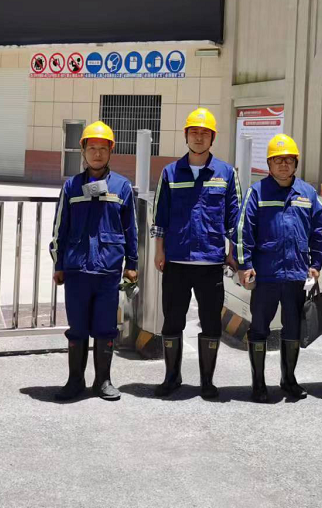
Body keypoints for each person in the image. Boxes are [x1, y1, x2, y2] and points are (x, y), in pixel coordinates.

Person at [151, 107, 241, 399]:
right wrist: (159, 250)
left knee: (211, 321)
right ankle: (171, 377)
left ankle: (207, 380)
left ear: (212, 138)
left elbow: (235, 218)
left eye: (204, 133)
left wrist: (233, 252)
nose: (199, 137)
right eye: (194, 132)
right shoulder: (170, 172)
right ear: (186, 136)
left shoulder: (226, 174)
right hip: (176, 260)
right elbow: (160, 215)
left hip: (210, 261)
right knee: (172, 320)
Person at [50, 121, 138, 401]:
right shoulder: (71, 186)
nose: (97, 154)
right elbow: (60, 228)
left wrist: (132, 264)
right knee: (77, 329)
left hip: (108, 270)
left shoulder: (122, 187)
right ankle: (75, 380)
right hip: (76, 269)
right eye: (92, 148)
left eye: (103, 148)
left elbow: (131, 229)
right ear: (83, 151)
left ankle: (103, 381)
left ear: (111, 151)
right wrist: (58, 264)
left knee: (105, 328)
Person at [235, 134, 322, 402]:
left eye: (288, 160)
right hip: (266, 274)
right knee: (259, 328)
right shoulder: (257, 192)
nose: (283, 164)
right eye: (278, 160)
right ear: (269, 164)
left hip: (297, 275)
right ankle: (258, 383)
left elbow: (318, 233)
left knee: (293, 328)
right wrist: (245, 264)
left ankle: (289, 380)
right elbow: (243, 231)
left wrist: (316, 264)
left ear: (296, 163)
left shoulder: (307, 194)